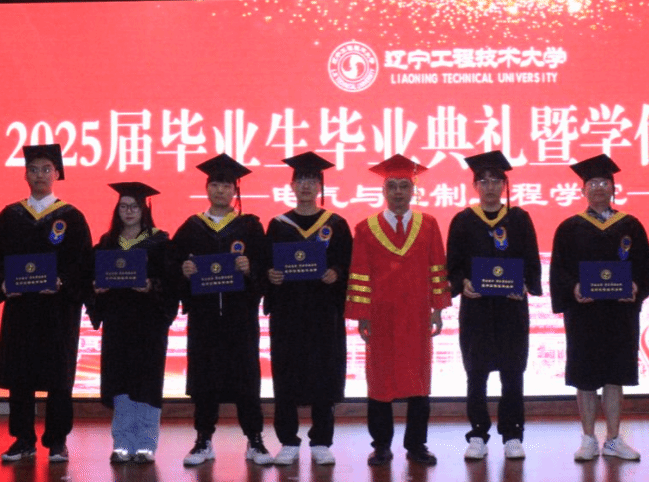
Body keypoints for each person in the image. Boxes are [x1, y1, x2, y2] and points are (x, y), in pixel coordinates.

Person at [344, 154, 451, 467]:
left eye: (405, 185)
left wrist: (437, 309)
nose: (399, 192)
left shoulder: (428, 224)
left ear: (413, 190)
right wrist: (362, 315)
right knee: (380, 382)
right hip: (381, 317)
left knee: (418, 381)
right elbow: (360, 273)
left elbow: (436, 266)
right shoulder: (366, 228)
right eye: (392, 186)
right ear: (383, 191)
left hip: (417, 315)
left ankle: (416, 445)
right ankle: (381, 446)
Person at [549, 154, 649, 462]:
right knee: (584, 376)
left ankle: (612, 438)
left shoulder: (630, 225)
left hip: (619, 314)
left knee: (615, 375)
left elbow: (646, 267)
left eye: (604, 182)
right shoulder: (569, 227)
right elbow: (559, 270)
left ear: (613, 187)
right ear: (583, 190)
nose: (598, 187)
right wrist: (573, 288)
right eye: (592, 183)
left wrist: (636, 287)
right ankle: (587, 439)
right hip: (583, 313)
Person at [0, 144, 93, 463]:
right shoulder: (10, 216)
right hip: (21, 309)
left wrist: (63, 281)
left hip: (57, 310)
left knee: (58, 377)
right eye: (33, 169)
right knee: (20, 376)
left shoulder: (72, 217)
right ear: (25, 174)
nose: (40, 175)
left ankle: (57, 440)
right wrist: (2, 283)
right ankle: (23, 439)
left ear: (57, 174)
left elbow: (84, 264)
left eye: (46, 169)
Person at [172, 154, 273, 466]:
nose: (220, 190)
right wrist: (183, 270)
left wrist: (250, 268)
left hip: (239, 317)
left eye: (226, 185)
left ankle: (255, 440)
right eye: (215, 184)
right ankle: (203, 440)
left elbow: (266, 266)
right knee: (205, 379)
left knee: (246, 378)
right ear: (207, 188)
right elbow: (171, 265)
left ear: (235, 190)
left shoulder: (250, 227)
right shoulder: (191, 227)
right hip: (204, 319)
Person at [446, 151, 542, 460]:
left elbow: (531, 261)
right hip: (477, 310)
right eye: (484, 181)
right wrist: (462, 283)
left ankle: (512, 433)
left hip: (511, 309)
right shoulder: (463, 221)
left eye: (496, 181)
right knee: (476, 373)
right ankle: (478, 433)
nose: (490, 187)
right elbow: (453, 266)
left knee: (513, 373)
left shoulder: (519, 219)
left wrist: (525, 284)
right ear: (475, 186)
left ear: (504, 184)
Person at [263, 152, 352, 466]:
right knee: (286, 374)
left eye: (312, 180)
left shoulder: (336, 224)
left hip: (323, 313)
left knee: (324, 374)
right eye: (300, 179)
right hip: (288, 314)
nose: (306, 185)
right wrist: (270, 276)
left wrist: (336, 273)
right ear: (291, 185)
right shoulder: (278, 225)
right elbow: (265, 265)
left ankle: (321, 440)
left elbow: (348, 263)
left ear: (320, 186)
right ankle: (288, 440)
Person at [88, 182, 177, 464]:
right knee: (121, 381)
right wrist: (97, 289)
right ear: (117, 210)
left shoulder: (160, 243)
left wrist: (152, 285)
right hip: (118, 322)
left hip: (149, 324)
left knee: (147, 381)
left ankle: (146, 444)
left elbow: (172, 283)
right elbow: (91, 280)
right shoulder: (107, 243)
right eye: (124, 206)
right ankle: (122, 442)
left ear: (144, 210)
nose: (129, 211)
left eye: (134, 207)